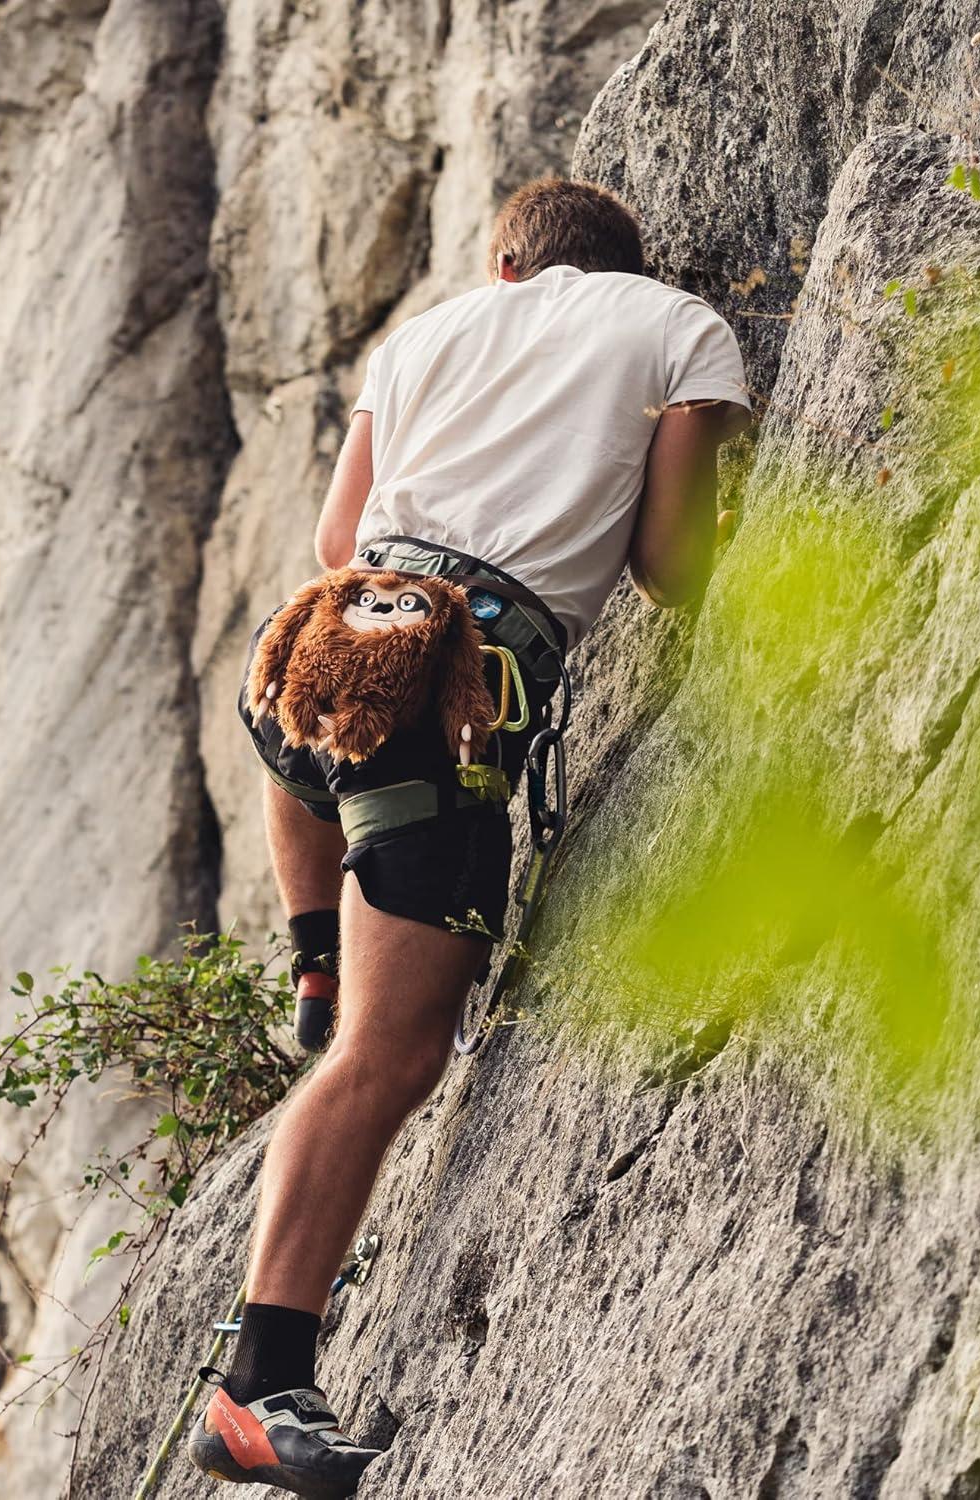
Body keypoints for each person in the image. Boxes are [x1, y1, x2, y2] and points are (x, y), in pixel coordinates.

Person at [188, 175, 751, 1498]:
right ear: (626, 262)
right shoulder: (680, 330)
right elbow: (669, 561)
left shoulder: (428, 334)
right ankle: (261, 1389)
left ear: (509, 264)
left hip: (321, 657)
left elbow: (339, 536)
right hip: (450, 692)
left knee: (329, 743)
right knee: (396, 1055)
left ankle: (313, 948)